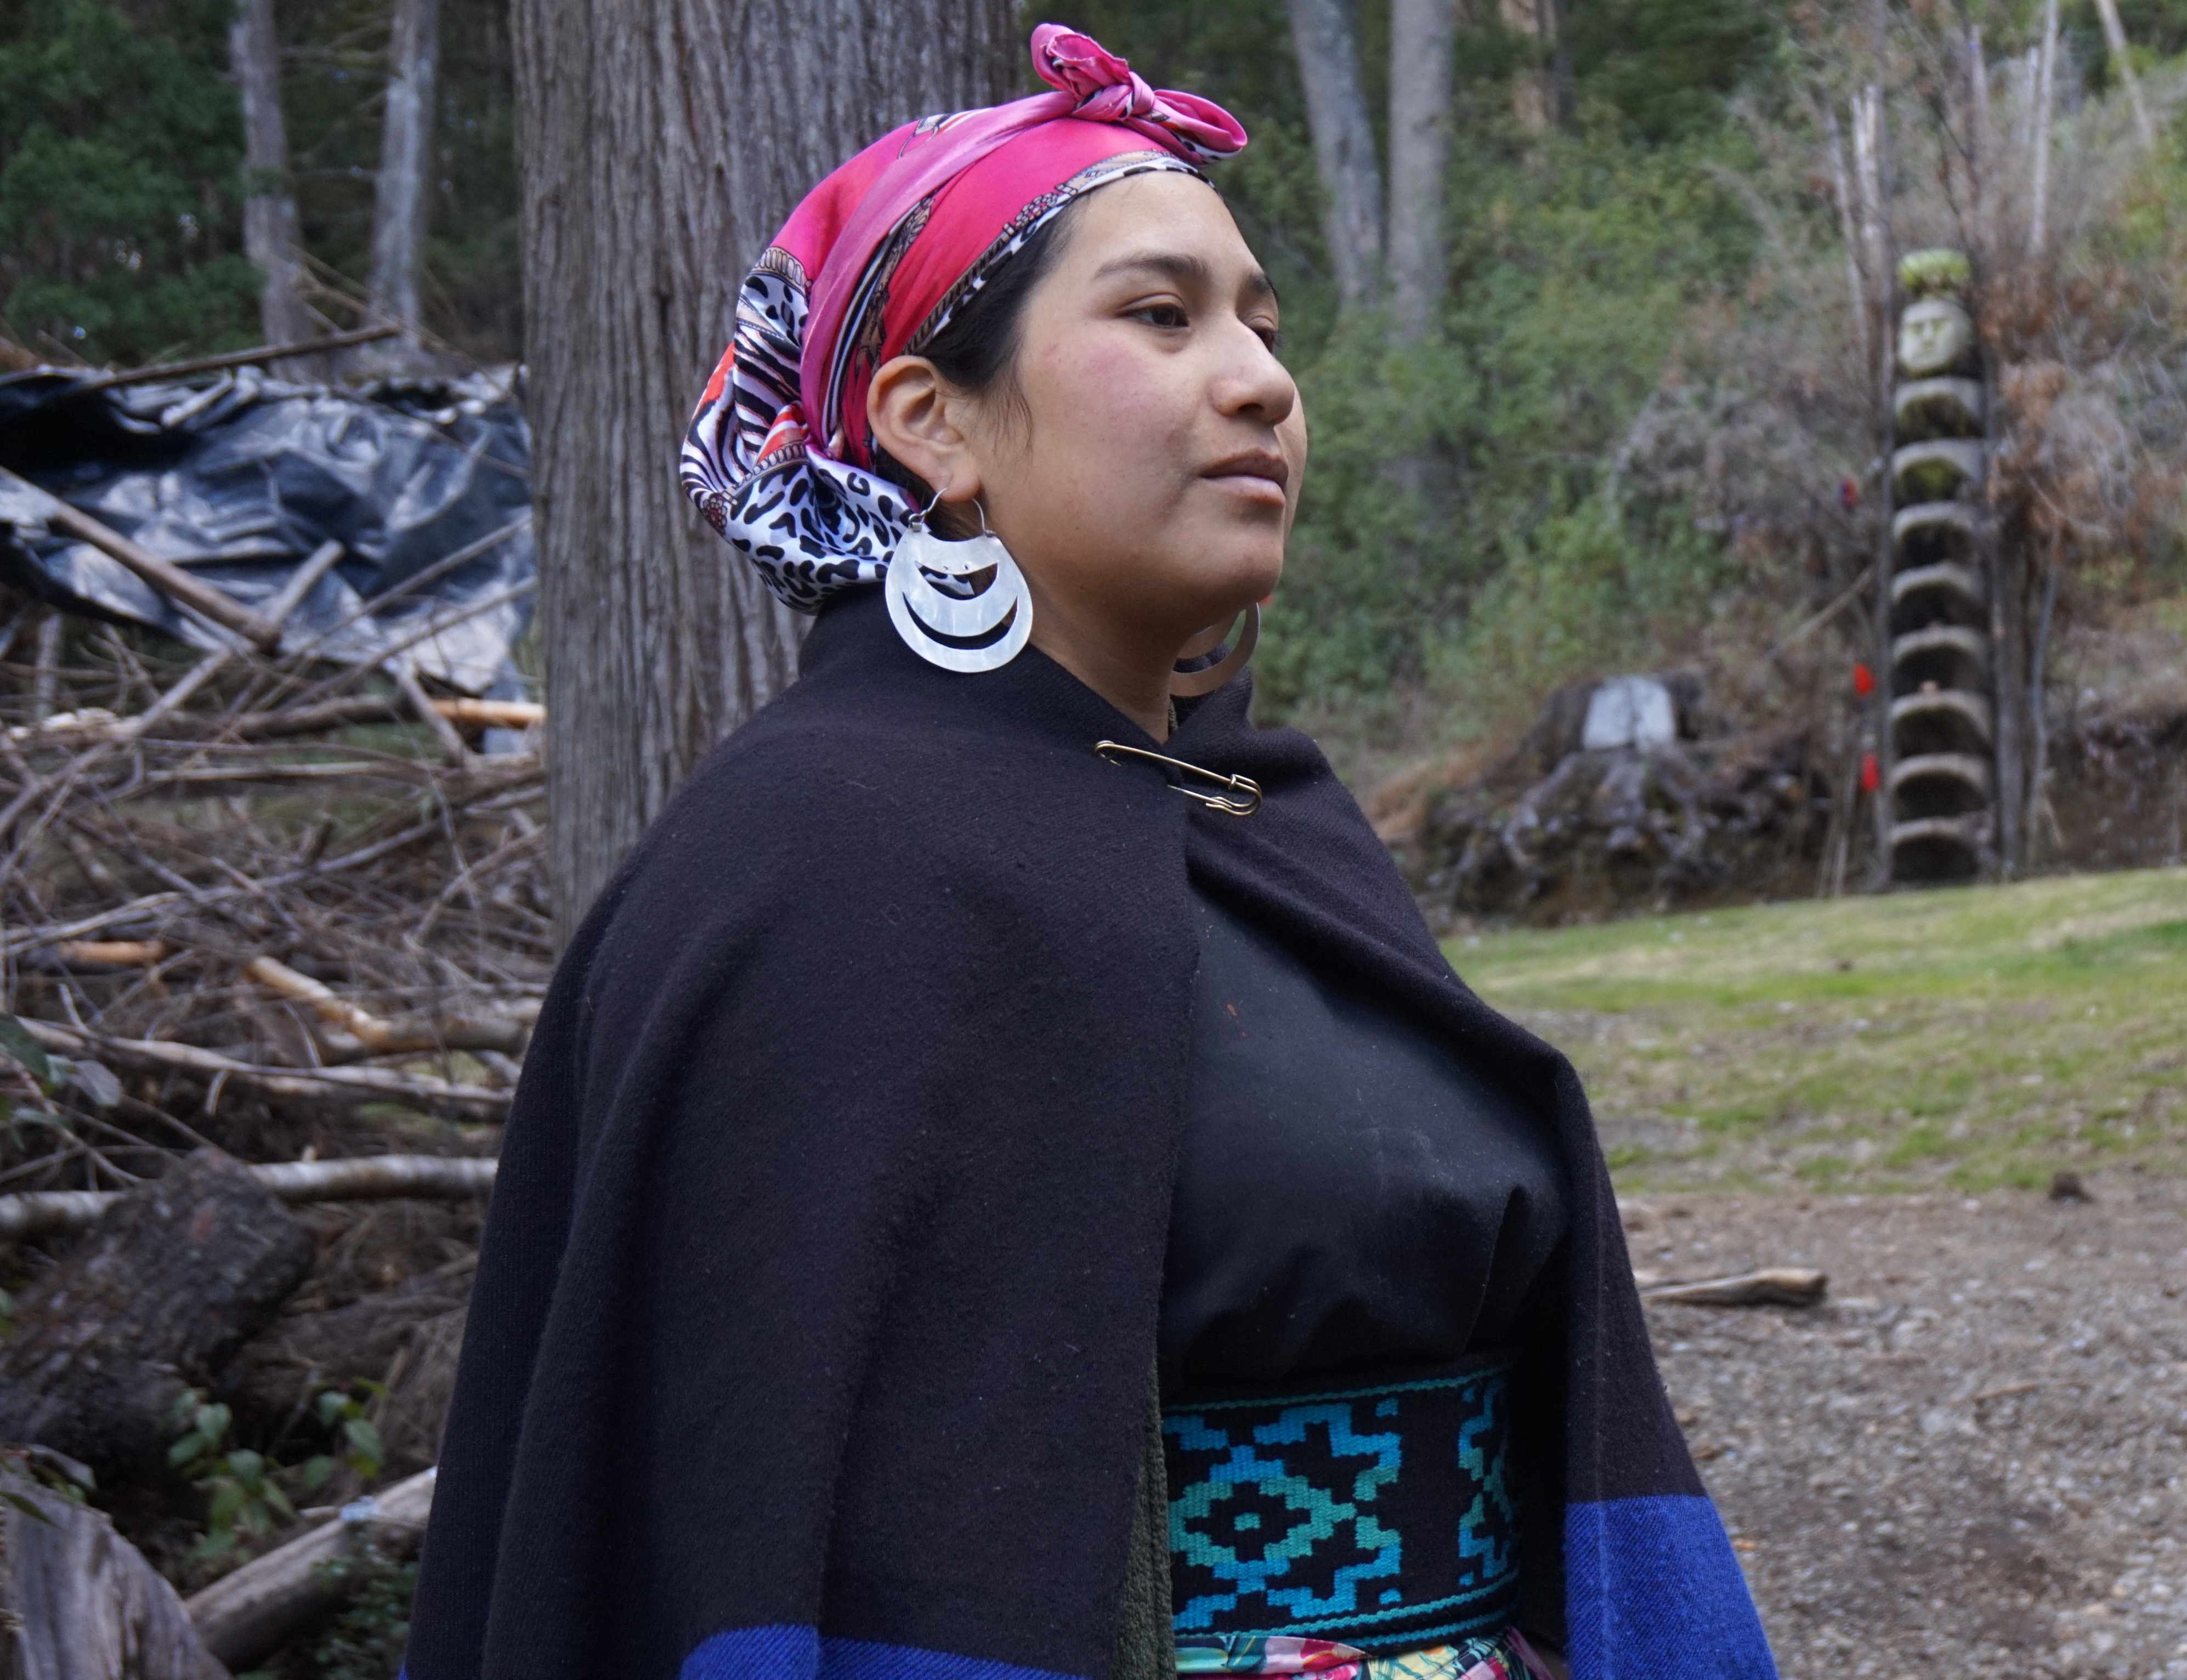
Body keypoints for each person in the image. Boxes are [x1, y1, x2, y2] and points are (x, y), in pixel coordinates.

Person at [405, 26, 1775, 1680]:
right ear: (934, 422)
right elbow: (731, 1510)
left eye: (1266, 325)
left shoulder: (1270, 823)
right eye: (1159, 315)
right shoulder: (811, 871)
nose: (1262, 378)